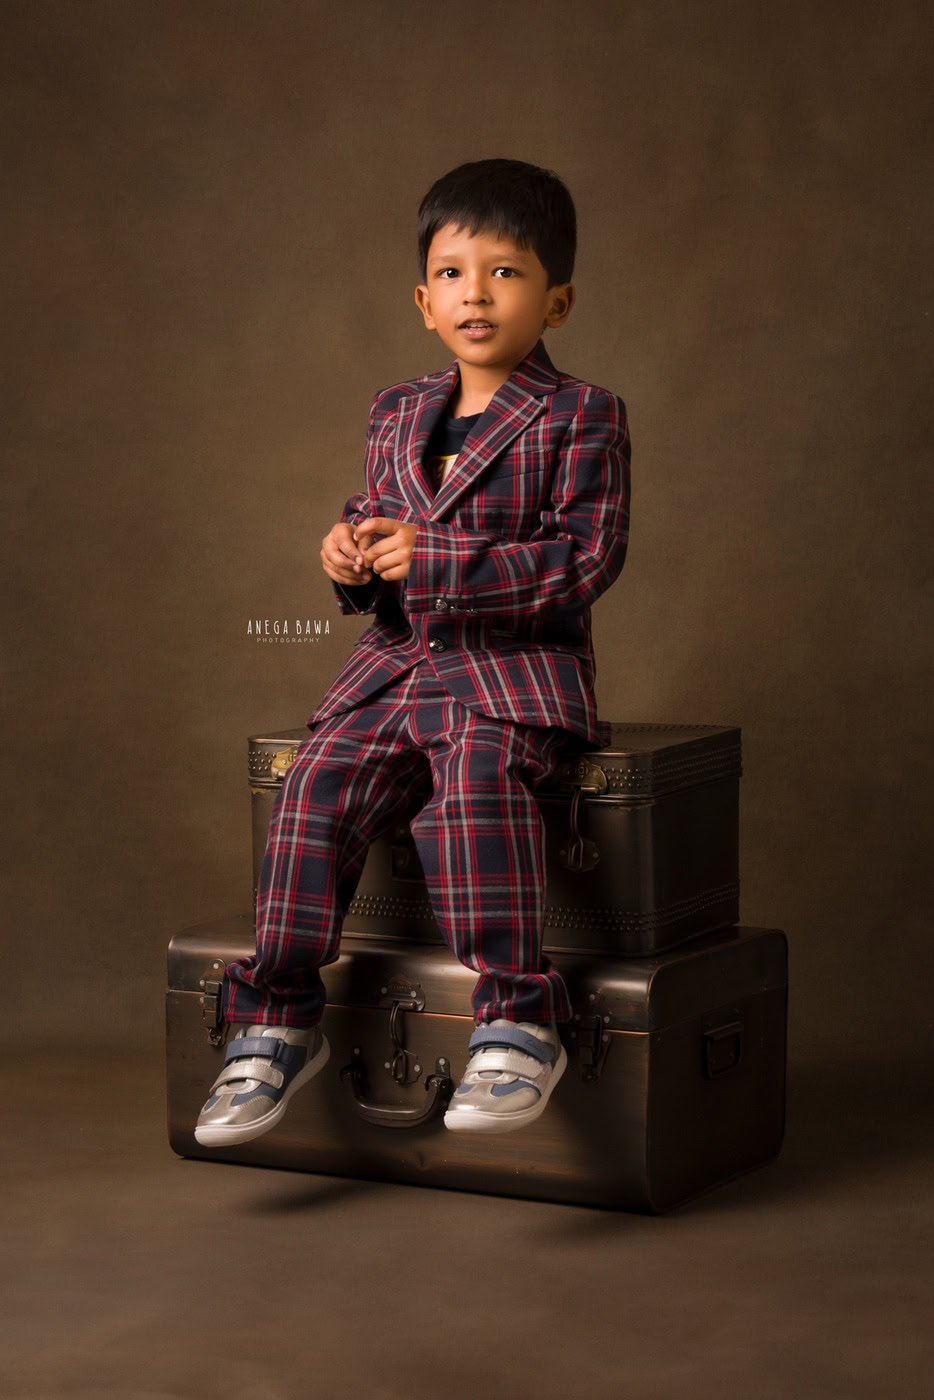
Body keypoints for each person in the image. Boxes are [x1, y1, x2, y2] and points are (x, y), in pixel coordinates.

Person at [195, 157, 632, 1147]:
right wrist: (349, 555)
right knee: (311, 787)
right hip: (394, 670)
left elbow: (581, 561)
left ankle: (519, 1016)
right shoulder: (397, 409)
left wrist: (431, 554)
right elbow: (375, 530)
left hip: (509, 673)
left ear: (556, 298)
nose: (475, 292)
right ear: (423, 299)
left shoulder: (580, 413)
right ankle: (276, 1015)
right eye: (451, 272)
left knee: (473, 787)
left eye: (506, 272)